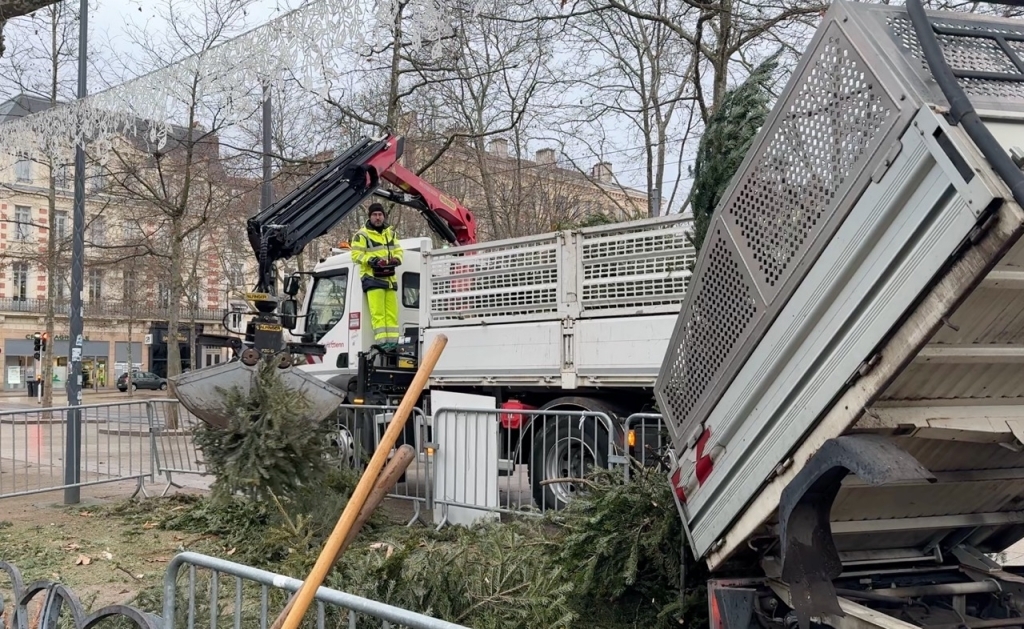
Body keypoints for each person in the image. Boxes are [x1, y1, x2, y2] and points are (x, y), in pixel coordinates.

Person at [350, 203, 404, 350]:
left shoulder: (390, 233)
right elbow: (355, 255)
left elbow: (399, 250)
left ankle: (392, 343)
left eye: (380, 214)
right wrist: (372, 260)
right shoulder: (362, 235)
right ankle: (383, 343)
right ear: (370, 216)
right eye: (375, 215)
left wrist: (396, 259)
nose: (378, 217)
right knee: (378, 313)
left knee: (392, 313)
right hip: (372, 278)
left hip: (389, 278)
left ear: (384, 216)